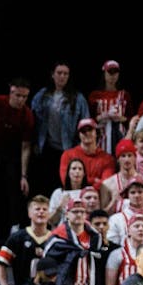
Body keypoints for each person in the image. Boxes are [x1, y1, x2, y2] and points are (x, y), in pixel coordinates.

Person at [29, 62, 91, 199]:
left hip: (68, 148)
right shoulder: (42, 95)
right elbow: (32, 120)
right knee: (45, 184)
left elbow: (86, 123)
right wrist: (34, 143)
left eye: (65, 74)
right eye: (59, 73)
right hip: (46, 147)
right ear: (52, 75)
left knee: (64, 183)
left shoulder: (77, 98)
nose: (62, 76)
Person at [0, 78, 35, 242]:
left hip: (11, 156)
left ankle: (13, 231)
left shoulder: (27, 114)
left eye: (25, 97)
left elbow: (26, 147)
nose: (21, 100)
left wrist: (24, 176)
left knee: (13, 193)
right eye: (18, 95)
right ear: (11, 92)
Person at [58, 118, 115, 192]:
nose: (87, 133)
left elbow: (106, 184)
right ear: (79, 135)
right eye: (83, 131)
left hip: (97, 197)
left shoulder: (107, 159)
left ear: (96, 133)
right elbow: (66, 181)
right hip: (73, 195)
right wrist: (94, 180)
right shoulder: (68, 155)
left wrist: (84, 183)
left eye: (90, 130)